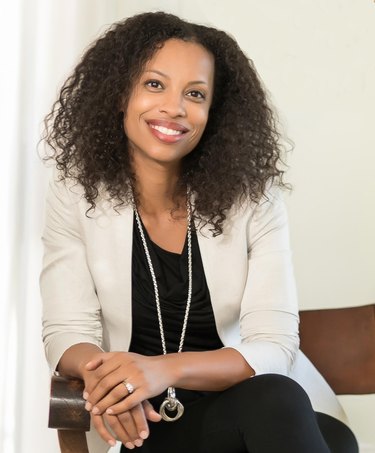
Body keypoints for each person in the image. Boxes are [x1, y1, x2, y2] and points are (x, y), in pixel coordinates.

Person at [40, 11, 358, 453]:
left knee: (300, 418)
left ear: (213, 113)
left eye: (195, 93)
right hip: (149, 426)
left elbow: (274, 344)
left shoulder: (253, 198)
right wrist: (111, 379)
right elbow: (66, 331)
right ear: (119, 94)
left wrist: (162, 370)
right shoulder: (78, 196)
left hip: (260, 408)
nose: (174, 107)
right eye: (155, 84)